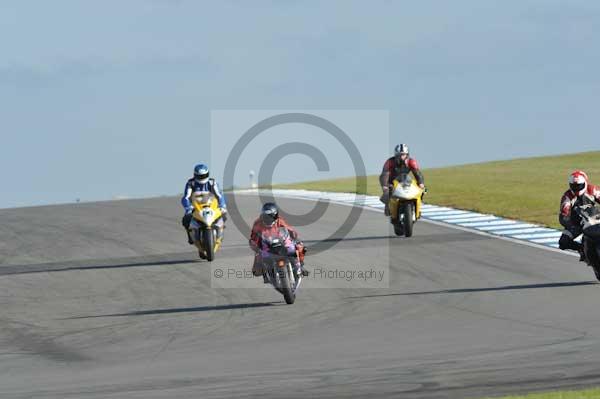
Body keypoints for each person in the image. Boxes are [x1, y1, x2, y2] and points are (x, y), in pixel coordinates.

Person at [249, 202, 308, 283]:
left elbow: (289, 229)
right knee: (256, 271)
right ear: (263, 216)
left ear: (276, 215)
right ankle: (266, 274)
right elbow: (253, 237)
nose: (269, 218)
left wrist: (294, 235)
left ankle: (300, 265)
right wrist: (255, 245)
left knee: (299, 246)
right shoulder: (258, 223)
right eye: (267, 216)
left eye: (271, 216)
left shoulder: (279, 220)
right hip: (266, 245)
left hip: (281, 242)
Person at [181, 164, 227, 247]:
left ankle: (220, 230)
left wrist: (222, 205)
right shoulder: (191, 183)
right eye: (200, 176)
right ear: (195, 175)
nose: (202, 178)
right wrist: (188, 207)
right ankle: (190, 236)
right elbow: (186, 197)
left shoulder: (212, 182)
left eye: (204, 176)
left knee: (224, 215)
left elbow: (220, 195)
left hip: (211, 206)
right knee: (186, 219)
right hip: (196, 207)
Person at [558, 170, 600, 261]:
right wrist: (570, 225)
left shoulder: (593, 190)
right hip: (576, 224)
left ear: (585, 182)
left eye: (579, 185)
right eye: (574, 186)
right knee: (563, 243)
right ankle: (582, 249)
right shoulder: (567, 197)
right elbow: (563, 215)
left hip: (594, 219)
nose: (577, 188)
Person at [379, 144, 425, 216]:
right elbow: (384, 174)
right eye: (399, 155)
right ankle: (389, 207)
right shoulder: (390, 162)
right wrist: (385, 185)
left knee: (421, 190)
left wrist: (421, 183)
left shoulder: (411, 162)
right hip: (391, 181)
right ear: (396, 155)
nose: (401, 157)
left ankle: (418, 209)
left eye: (403, 155)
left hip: (405, 180)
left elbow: (417, 173)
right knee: (387, 193)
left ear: (407, 155)